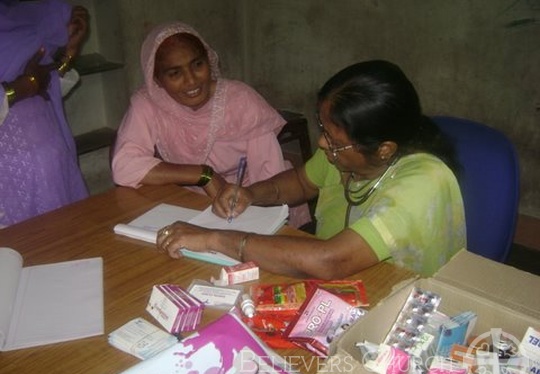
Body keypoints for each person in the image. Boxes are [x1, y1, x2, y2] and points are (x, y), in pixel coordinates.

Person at [156, 60, 466, 279]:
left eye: (333, 139)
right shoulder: (344, 155)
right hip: (335, 280)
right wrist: (250, 193)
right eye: (323, 129)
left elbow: (330, 260)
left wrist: (214, 239)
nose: (322, 142)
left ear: (384, 148)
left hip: (400, 301)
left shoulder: (424, 182)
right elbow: (299, 184)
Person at [111, 22, 311, 228]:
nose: (191, 81)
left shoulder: (241, 101)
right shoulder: (149, 103)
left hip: (249, 201)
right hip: (187, 202)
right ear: (157, 80)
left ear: (209, 60)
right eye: (174, 74)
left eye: (197, 65)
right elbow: (125, 167)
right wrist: (204, 175)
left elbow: (270, 178)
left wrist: (250, 219)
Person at [0, 0, 89, 228]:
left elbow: (44, 90)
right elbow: (28, 86)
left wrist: (68, 53)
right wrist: (19, 88)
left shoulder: (21, 17)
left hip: (53, 173)